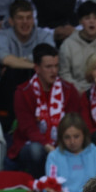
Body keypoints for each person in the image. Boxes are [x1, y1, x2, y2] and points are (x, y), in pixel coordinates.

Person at [7, 43, 84, 179]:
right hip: (31, 144)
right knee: (36, 151)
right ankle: (41, 186)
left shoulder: (69, 90)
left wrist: (63, 144)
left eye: (56, 66)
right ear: (37, 68)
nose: (54, 71)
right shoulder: (23, 92)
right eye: (49, 67)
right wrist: (47, 145)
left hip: (64, 142)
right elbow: (28, 128)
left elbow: (74, 122)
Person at [0, 0, 56, 115]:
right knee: (13, 72)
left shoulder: (43, 35)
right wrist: (36, 65)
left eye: (29, 18)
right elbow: (3, 57)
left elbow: (49, 57)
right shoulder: (3, 35)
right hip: (8, 88)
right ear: (11, 21)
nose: (25, 22)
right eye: (20, 18)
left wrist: (16, 62)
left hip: (38, 82)